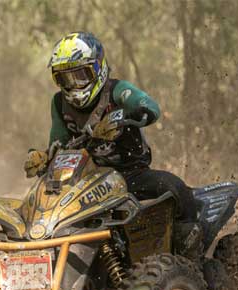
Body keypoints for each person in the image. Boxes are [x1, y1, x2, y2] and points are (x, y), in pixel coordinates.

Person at [24, 31, 202, 257]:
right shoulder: (59, 102)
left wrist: (124, 116)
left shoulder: (116, 90)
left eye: (80, 75)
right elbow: (58, 143)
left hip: (130, 174)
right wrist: (43, 157)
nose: (73, 85)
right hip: (87, 181)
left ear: (98, 68)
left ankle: (191, 253)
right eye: (65, 79)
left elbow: (150, 107)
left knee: (174, 187)